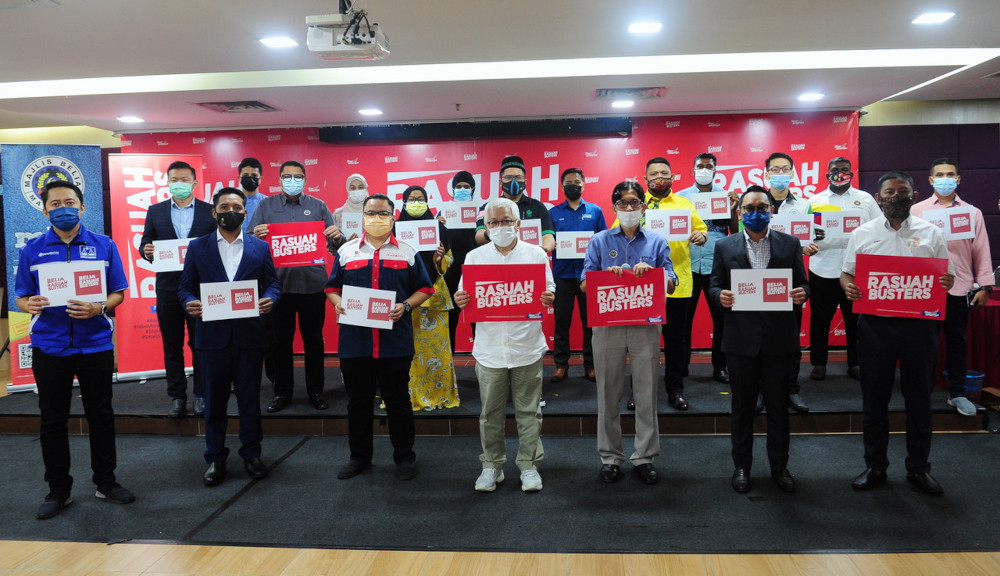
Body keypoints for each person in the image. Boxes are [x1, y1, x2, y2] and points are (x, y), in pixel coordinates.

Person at [16, 180, 134, 519]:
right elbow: (22, 296)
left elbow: (118, 293)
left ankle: (106, 482)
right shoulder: (33, 249)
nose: (63, 208)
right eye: (55, 204)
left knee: (101, 415)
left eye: (69, 202)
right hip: (49, 346)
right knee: (52, 420)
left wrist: (99, 308)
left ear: (82, 208)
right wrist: (30, 303)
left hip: (94, 343)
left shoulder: (104, 245)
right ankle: (58, 490)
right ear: (45, 210)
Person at [842, 171, 954, 496]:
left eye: (902, 191)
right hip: (876, 326)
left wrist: (946, 282)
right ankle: (875, 465)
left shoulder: (932, 233)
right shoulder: (862, 232)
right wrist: (849, 289)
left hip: (919, 326)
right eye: (889, 191)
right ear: (878, 198)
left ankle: (918, 469)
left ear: (913, 195)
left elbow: (946, 276)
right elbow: (847, 273)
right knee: (874, 398)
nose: (895, 196)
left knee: (919, 398)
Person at [326, 194, 434, 481]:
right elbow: (332, 288)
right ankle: (359, 457)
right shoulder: (347, 251)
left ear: (393, 216)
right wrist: (338, 303)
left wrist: (406, 305)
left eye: (382, 213)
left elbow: (425, 288)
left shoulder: (408, 251)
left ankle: (404, 457)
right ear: (362, 216)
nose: (376, 218)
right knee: (357, 403)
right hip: (355, 342)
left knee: (398, 401)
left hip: (394, 342)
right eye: (371, 213)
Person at [178, 188, 281, 486]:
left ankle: (251, 454)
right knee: (214, 402)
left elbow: (273, 285)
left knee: (250, 399)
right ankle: (215, 458)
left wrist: (271, 299)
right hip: (211, 339)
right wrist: (189, 303)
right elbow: (185, 288)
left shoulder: (260, 248)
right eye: (224, 206)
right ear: (214, 212)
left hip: (249, 337)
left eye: (237, 206)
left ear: (245, 213)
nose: (230, 211)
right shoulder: (198, 247)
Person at [710, 186, 810, 494]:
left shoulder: (790, 244)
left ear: (771, 211)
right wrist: (720, 296)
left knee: (779, 409)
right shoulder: (725, 246)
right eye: (750, 208)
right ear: (740, 213)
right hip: (740, 342)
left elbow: (804, 284)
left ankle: (779, 467)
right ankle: (742, 466)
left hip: (779, 340)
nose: (757, 213)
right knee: (741, 408)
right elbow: (714, 285)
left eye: (762, 207)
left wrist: (802, 293)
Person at [454, 197, 556, 493]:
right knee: (490, 414)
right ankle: (492, 465)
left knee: (529, 411)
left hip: (526, 345)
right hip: (490, 349)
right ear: (486, 226)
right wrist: (462, 300)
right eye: (494, 222)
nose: (500, 227)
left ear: (518, 224)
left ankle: (528, 466)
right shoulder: (475, 258)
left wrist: (548, 297)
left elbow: (548, 289)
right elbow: (464, 294)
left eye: (506, 221)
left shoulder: (536, 254)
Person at [582, 181, 676, 485]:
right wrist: (602, 277)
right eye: (623, 203)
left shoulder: (658, 242)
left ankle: (644, 457)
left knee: (646, 393)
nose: (629, 208)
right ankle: (610, 457)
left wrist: (654, 276)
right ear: (614, 208)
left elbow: (672, 281)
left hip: (644, 325)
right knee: (608, 393)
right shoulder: (598, 241)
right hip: (607, 325)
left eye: (635, 203)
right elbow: (584, 284)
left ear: (643, 207)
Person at [249, 160, 340, 412]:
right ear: (278, 180)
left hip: (313, 285)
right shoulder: (265, 206)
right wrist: (254, 236)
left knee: (313, 342)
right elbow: (247, 243)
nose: (292, 180)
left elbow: (334, 246)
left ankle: (316, 391)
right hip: (278, 287)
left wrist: (337, 236)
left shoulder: (318, 206)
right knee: (280, 343)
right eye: (287, 176)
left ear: (305, 180)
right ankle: (282, 392)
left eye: (297, 176)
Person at [911, 157, 994, 416]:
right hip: (924, 288)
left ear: (957, 179)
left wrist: (985, 287)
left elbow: (981, 251)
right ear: (930, 179)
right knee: (923, 342)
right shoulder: (916, 211)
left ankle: (957, 393)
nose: (944, 178)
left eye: (950, 174)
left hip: (959, 288)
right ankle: (919, 392)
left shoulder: (972, 212)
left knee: (957, 341)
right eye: (939, 174)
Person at [139, 160, 216, 417]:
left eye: (184, 180)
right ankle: (177, 397)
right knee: (172, 346)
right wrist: (147, 250)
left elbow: (219, 244)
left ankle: (201, 395)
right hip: (168, 288)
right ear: (168, 182)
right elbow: (146, 243)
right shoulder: (156, 211)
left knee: (201, 344)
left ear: (194, 183)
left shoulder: (210, 211)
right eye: (174, 179)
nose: (179, 184)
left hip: (200, 288)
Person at [639, 157, 708, 410]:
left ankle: (675, 389)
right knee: (643, 343)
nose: (659, 177)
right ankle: (640, 391)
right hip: (643, 284)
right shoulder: (636, 203)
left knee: (676, 342)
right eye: (654, 173)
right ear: (645, 179)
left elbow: (701, 230)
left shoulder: (683, 203)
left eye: (664, 173)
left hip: (677, 282)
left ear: (673, 177)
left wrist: (701, 235)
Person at [807, 157, 880, 383]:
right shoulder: (815, 200)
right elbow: (805, 231)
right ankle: (819, 363)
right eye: (835, 170)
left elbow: (878, 227)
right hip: (822, 267)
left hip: (856, 269)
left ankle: (855, 363)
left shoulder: (865, 199)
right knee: (820, 319)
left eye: (844, 170)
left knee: (855, 319)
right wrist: (812, 238)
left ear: (852, 173)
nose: (840, 173)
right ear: (828, 174)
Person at [675, 152, 738, 384]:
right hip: (686, 265)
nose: (704, 170)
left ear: (715, 171)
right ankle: (681, 367)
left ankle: (720, 367)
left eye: (708, 166)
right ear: (692, 171)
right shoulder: (680, 199)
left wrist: (733, 208)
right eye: (699, 166)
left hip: (716, 265)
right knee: (683, 321)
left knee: (722, 319)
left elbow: (735, 233)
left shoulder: (725, 197)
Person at [396, 185, 459, 410]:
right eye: (411, 199)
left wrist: (439, 258)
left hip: (436, 298)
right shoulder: (394, 228)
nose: (416, 202)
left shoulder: (439, 228)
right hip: (405, 298)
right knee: (407, 352)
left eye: (420, 199)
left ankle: (440, 395)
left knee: (436, 351)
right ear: (403, 203)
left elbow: (449, 262)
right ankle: (409, 396)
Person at [764, 152, 815, 413]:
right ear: (766, 173)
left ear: (793, 173)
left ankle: (791, 390)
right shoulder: (755, 203)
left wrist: (812, 245)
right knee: (760, 339)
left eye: (785, 169)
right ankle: (762, 392)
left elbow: (814, 236)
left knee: (791, 340)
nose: (780, 173)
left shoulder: (804, 206)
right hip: (758, 279)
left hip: (791, 280)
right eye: (775, 169)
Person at [549, 167, 607, 383]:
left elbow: (604, 240)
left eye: (576, 181)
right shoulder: (553, 213)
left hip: (588, 276)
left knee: (590, 322)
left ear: (584, 184)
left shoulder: (596, 211)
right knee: (561, 322)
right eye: (568, 182)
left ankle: (590, 365)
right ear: (562, 186)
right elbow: (547, 240)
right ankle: (561, 365)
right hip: (562, 275)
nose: (572, 185)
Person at [474, 155, 556, 253]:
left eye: (518, 177)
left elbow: (548, 236)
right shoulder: (488, 208)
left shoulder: (538, 206)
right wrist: (492, 233)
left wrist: (542, 250)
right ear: (500, 182)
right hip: (498, 260)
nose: (514, 181)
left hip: (530, 260)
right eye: (508, 177)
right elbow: (479, 237)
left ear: (525, 182)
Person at [443, 170, 478, 351]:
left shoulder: (481, 211)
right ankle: (449, 371)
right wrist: (439, 224)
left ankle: (483, 368)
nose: (462, 189)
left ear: (472, 188)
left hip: (475, 271)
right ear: (453, 189)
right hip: (451, 272)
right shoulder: (445, 211)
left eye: (466, 186)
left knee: (478, 321)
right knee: (450, 320)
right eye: (458, 187)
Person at [333, 173, 369, 241]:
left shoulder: (373, 213)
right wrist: (344, 242)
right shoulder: (338, 214)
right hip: (345, 250)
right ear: (348, 189)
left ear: (365, 189)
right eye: (353, 188)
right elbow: (332, 242)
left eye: (361, 187)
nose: (357, 190)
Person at [237, 157, 266, 232]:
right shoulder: (232, 203)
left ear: (260, 179)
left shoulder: (269, 203)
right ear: (239, 178)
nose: (250, 178)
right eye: (246, 175)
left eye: (254, 175)